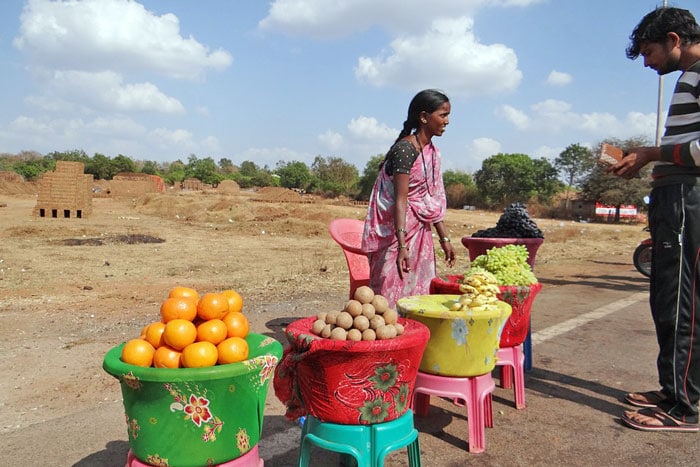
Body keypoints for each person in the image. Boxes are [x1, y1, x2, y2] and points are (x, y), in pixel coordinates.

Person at [609, 6, 700, 432]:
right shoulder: (690, 77)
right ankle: (673, 387)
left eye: (649, 52)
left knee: (682, 301)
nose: (647, 63)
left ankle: (687, 407)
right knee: (666, 297)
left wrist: (651, 154)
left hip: (688, 199)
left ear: (674, 39)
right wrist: (649, 160)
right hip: (674, 198)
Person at [362, 89, 456, 308]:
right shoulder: (405, 149)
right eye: (442, 115)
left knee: (419, 293)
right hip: (397, 235)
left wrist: (444, 239)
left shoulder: (432, 152)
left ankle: (415, 337)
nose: (447, 121)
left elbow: (428, 202)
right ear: (424, 117)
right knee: (390, 292)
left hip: (421, 233)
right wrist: (402, 245)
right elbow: (401, 200)